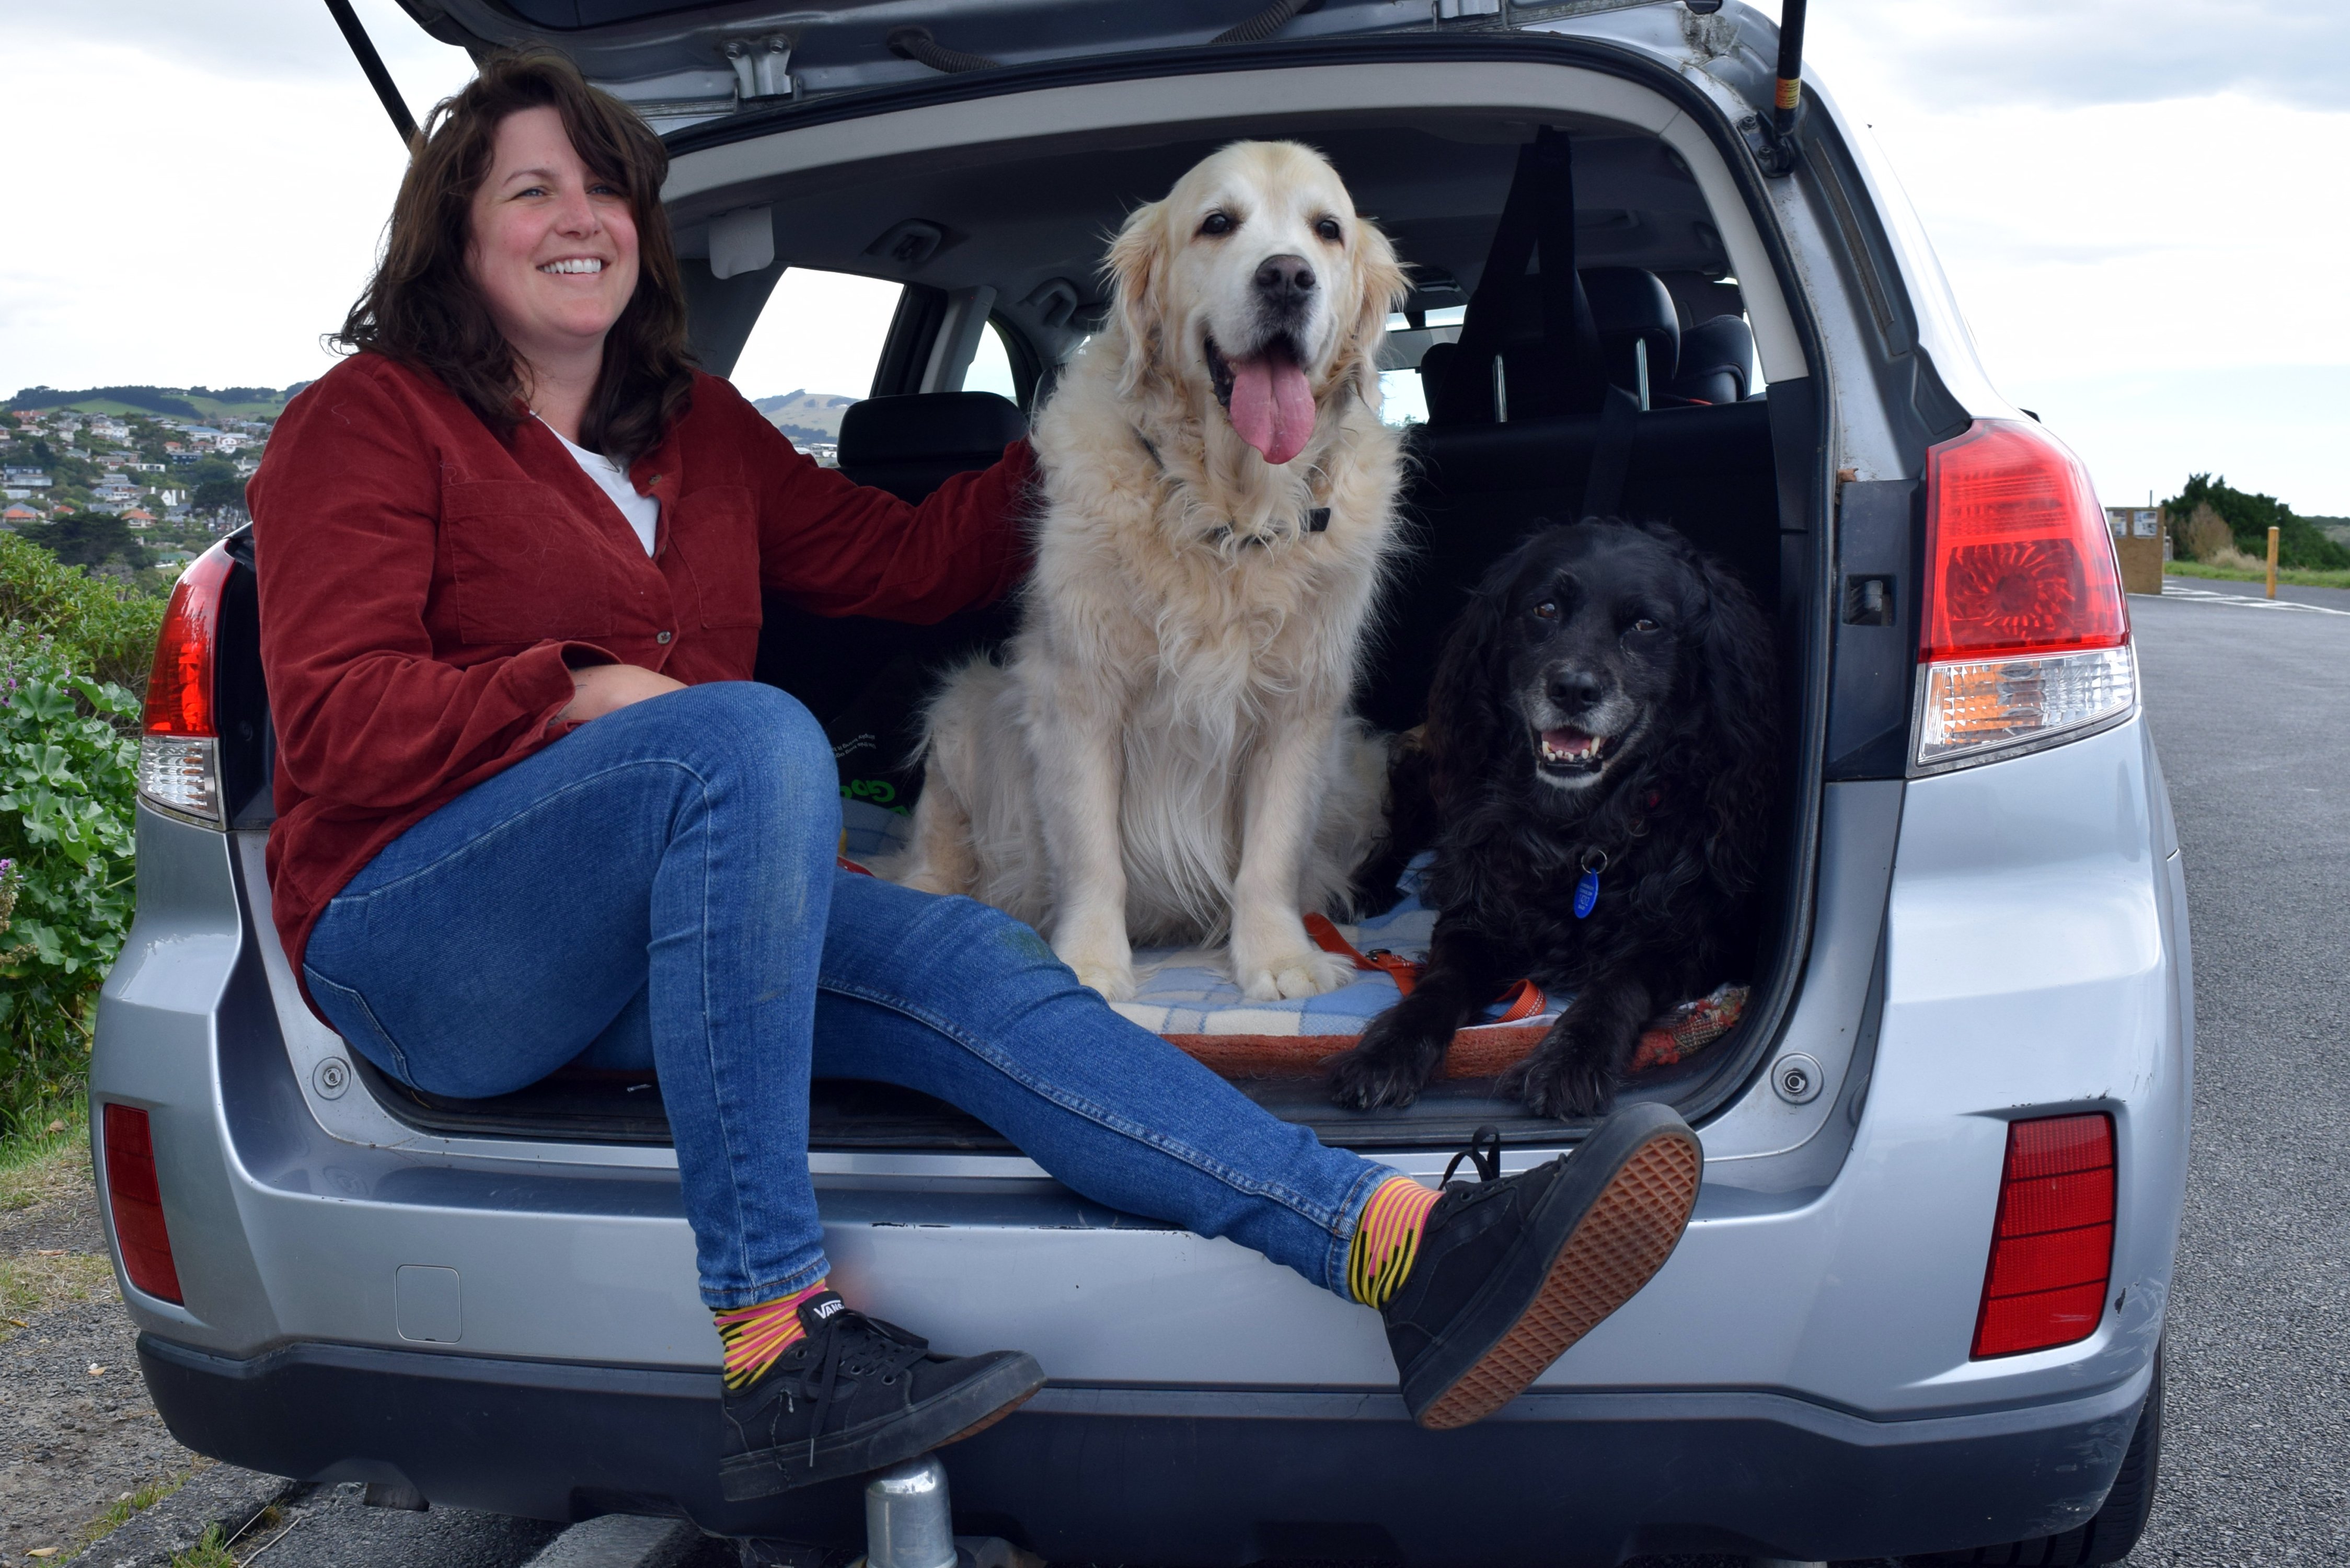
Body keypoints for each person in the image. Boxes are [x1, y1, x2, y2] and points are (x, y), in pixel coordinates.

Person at [247, 49, 1702, 1502]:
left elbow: (901, 564)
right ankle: (777, 1344)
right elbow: (331, 722)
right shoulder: (369, 421)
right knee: (747, 729)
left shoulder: (690, 424)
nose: (582, 218)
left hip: (649, 940)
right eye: (532, 189)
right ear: (456, 228)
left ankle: (1401, 1247)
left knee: (975, 956)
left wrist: (1108, 421)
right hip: (426, 944)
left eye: (609, 187)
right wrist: (579, 688)